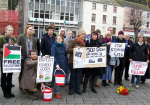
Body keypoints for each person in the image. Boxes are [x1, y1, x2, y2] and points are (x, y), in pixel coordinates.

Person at [18, 25, 37, 94]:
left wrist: (35, 56)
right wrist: (19, 54)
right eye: (29, 29)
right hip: (24, 58)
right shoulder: (21, 37)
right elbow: (18, 46)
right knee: (22, 72)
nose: (31, 31)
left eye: (32, 30)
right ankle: (21, 87)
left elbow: (35, 48)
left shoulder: (34, 39)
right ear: (26, 29)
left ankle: (28, 86)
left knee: (30, 73)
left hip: (31, 58)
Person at [0, 25, 18, 99]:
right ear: (6, 30)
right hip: (4, 59)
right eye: (9, 30)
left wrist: (15, 45)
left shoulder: (13, 38)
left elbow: (15, 48)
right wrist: (4, 48)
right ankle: (5, 92)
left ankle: (9, 91)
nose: (10, 32)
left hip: (11, 59)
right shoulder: (1, 38)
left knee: (10, 75)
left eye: (12, 30)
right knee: (4, 75)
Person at [67, 29, 86, 95]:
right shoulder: (73, 41)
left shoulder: (84, 42)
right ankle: (71, 89)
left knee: (79, 76)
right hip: (73, 61)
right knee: (73, 76)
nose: (84, 36)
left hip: (80, 62)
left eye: (84, 34)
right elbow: (68, 50)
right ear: (79, 34)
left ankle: (77, 89)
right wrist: (75, 49)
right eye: (82, 34)